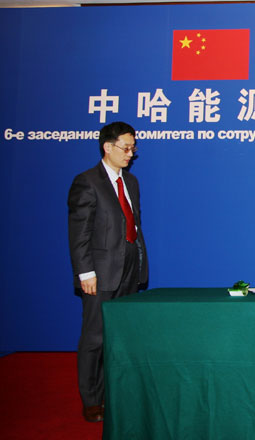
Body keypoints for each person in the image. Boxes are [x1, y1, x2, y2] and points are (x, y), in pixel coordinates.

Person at [67, 121, 148, 422]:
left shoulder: (132, 182)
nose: (130, 154)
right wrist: (85, 272)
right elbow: (79, 233)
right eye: (126, 148)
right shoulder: (87, 182)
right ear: (108, 147)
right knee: (95, 337)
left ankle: (115, 393)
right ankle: (92, 399)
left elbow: (134, 225)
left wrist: (139, 263)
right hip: (100, 273)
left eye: (133, 148)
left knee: (120, 336)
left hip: (129, 268)